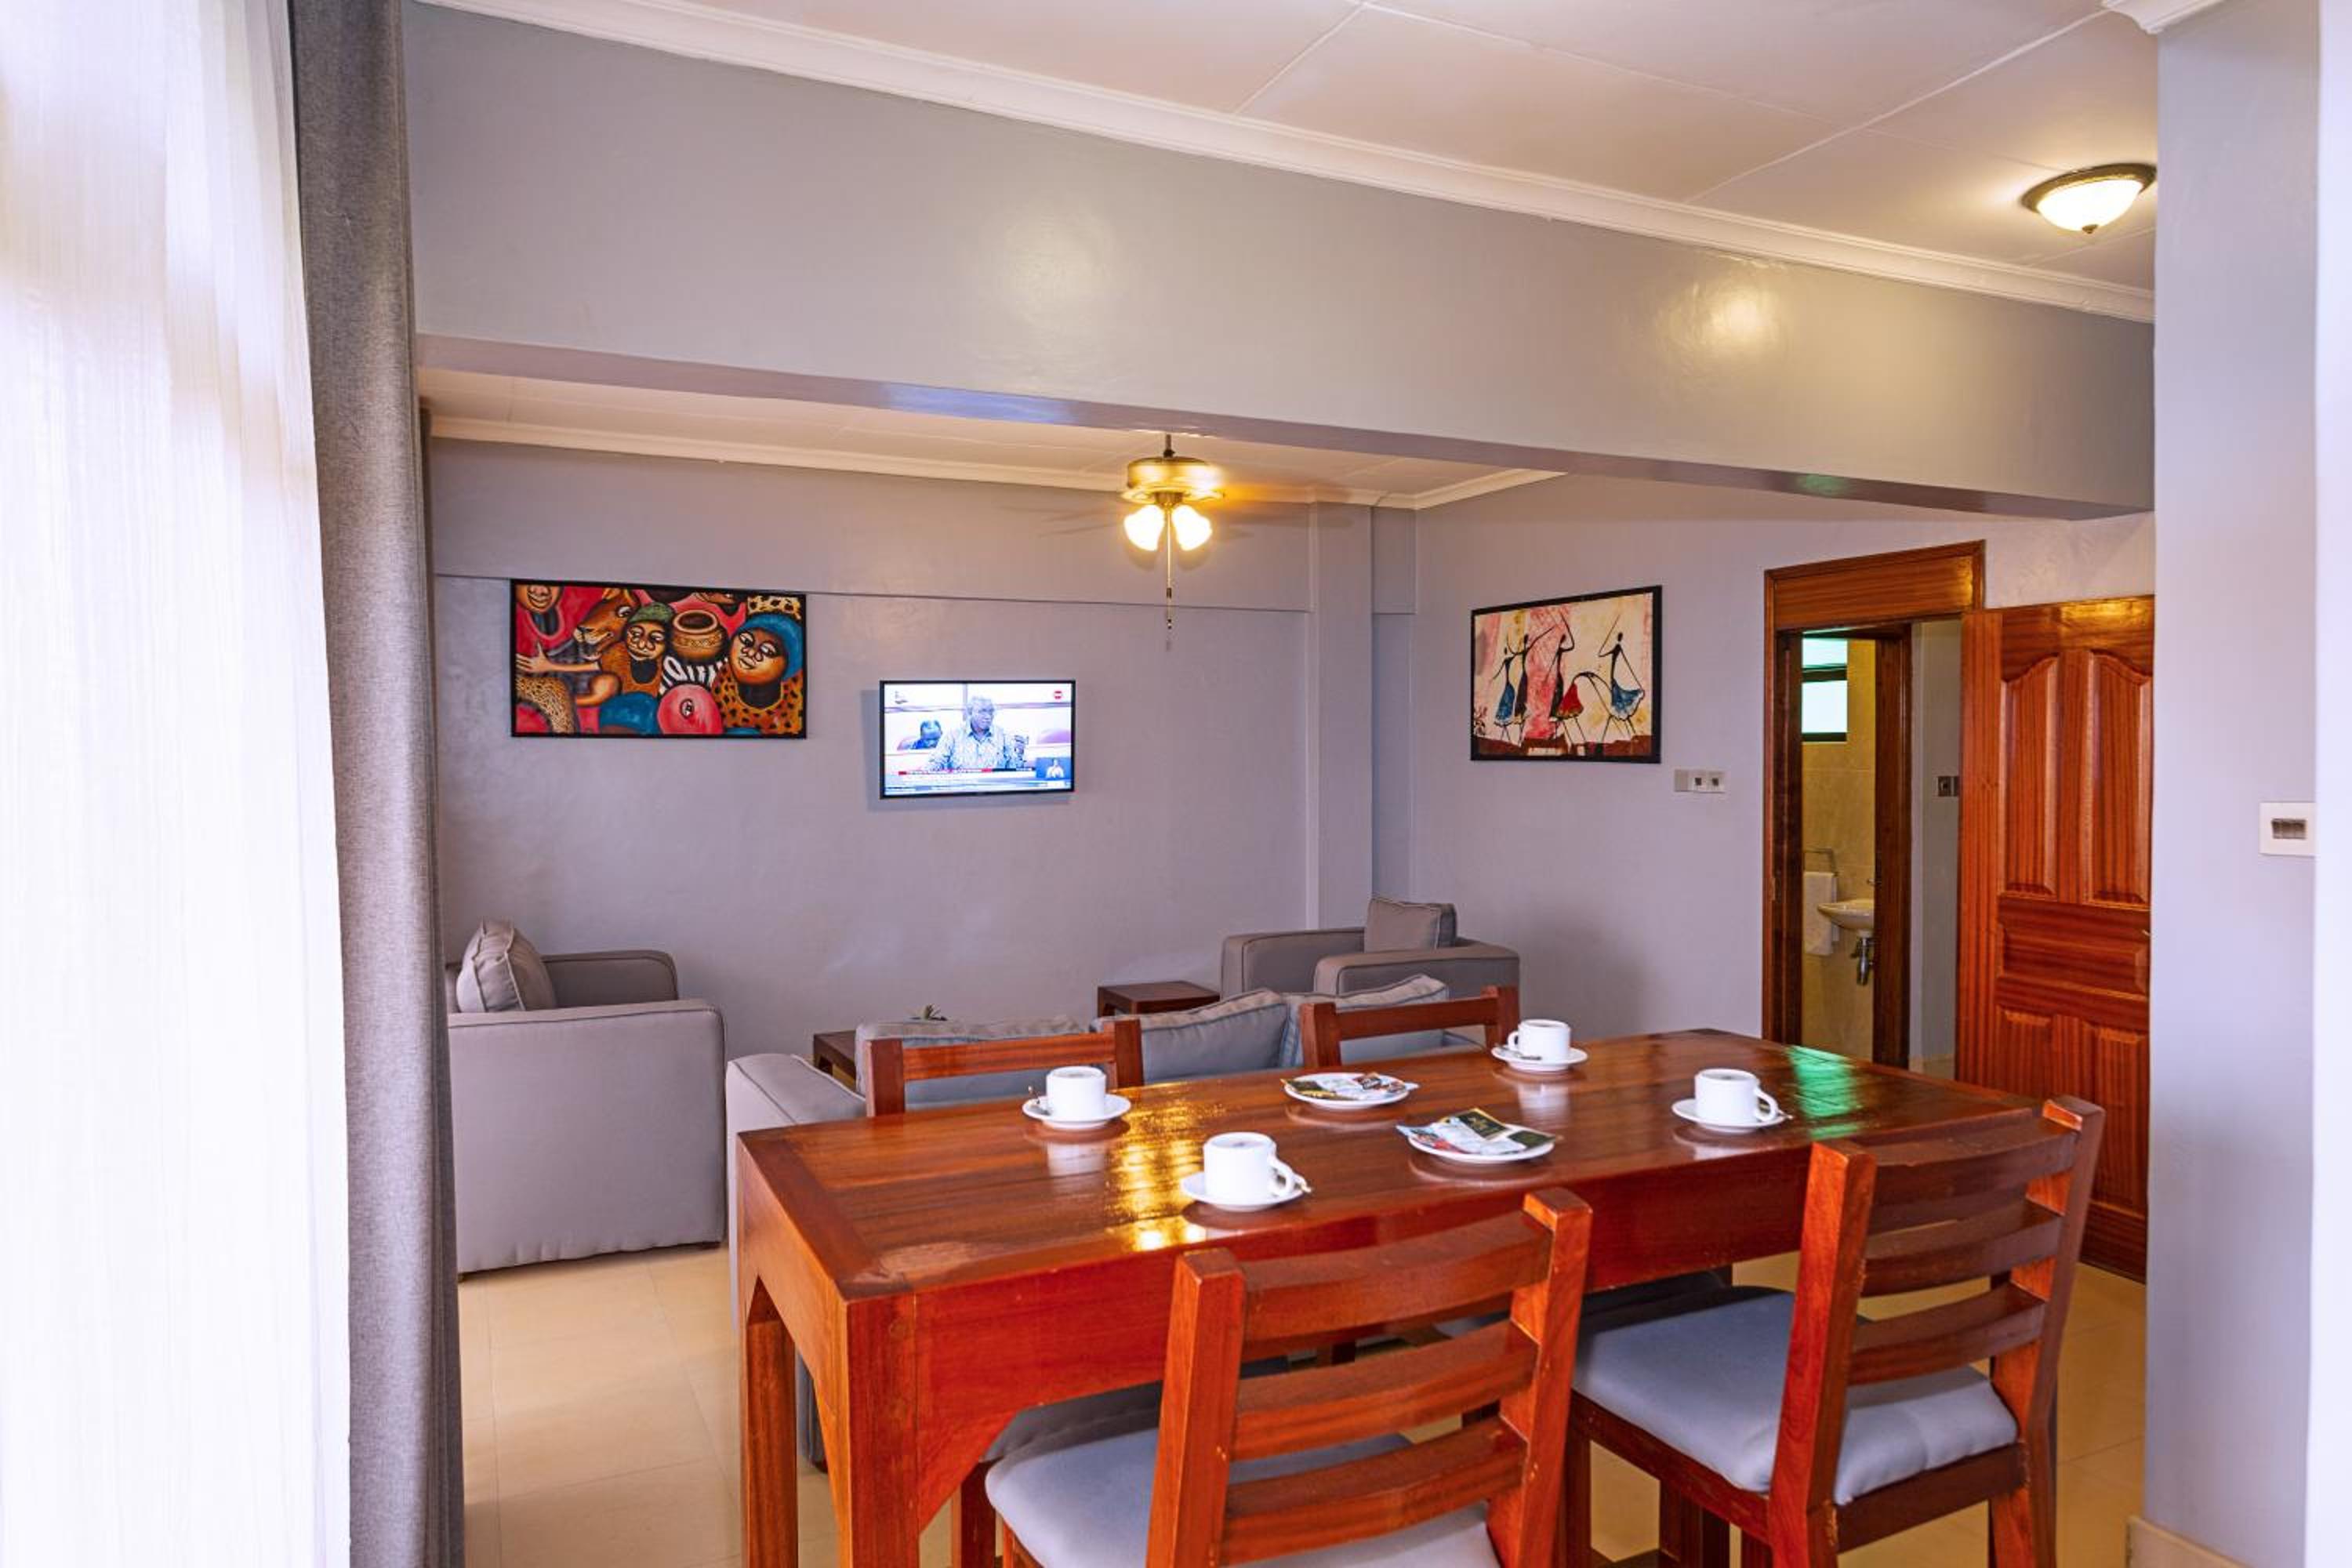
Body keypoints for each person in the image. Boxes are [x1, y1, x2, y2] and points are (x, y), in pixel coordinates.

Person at [929, 693, 1027, 772]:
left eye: (991, 712)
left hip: (995, 788)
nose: (988, 716)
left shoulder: (1003, 736)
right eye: (982, 711)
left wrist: (1019, 753)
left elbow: (1013, 771)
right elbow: (936, 762)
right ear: (970, 713)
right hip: (962, 789)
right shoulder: (952, 735)